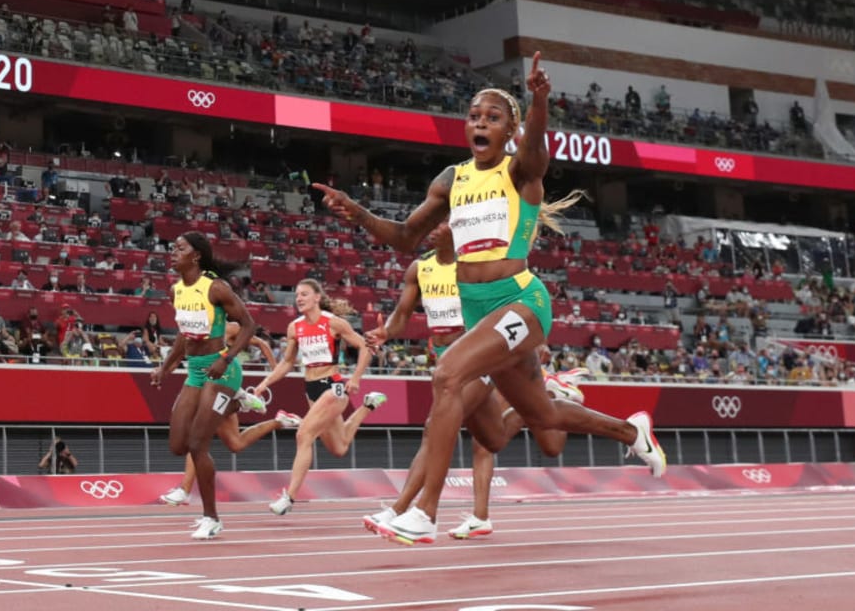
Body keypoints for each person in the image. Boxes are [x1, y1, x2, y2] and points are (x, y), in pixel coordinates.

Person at [315, 53, 664, 543]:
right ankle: (634, 433)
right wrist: (356, 212)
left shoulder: (522, 171)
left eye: (493, 117)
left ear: (510, 130)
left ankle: (424, 514)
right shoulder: (451, 180)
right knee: (510, 428)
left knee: (447, 375)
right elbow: (403, 237)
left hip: (521, 301)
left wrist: (539, 101)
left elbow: (538, 151)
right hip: (478, 311)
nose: (480, 123)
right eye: (474, 116)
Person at [362, 223, 580, 540]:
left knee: (433, 427)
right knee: (489, 441)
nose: (432, 229)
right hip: (444, 358)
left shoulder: (477, 268)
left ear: (458, 226)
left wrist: (531, 338)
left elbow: (514, 299)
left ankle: (399, 509)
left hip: (478, 354)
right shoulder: (419, 268)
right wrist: (386, 331)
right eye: (431, 223)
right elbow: (401, 315)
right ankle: (480, 516)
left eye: (440, 222)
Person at [149, 232, 261, 540]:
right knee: (177, 446)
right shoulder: (176, 292)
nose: (173, 253)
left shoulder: (216, 288)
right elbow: (185, 335)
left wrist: (225, 358)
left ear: (196, 255)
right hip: (196, 371)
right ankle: (239, 401)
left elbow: (250, 325)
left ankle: (211, 518)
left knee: (199, 444)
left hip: (222, 370)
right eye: (173, 247)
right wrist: (166, 367)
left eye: (180, 248)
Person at [251, 279, 387, 515]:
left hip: (333, 386)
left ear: (317, 297)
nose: (299, 299)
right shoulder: (294, 327)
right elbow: (287, 362)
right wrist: (264, 383)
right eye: (296, 295)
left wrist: (355, 378)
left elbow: (366, 347)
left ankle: (288, 497)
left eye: (304, 294)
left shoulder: (334, 323)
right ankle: (368, 405)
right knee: (339, 447)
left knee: (304, 434)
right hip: (311, 388)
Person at [159, 322, 302, 506]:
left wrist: (273, 374)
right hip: (201, 384)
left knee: (197, 437)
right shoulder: (191, 329)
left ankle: (184, 490)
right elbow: (177, 357)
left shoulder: (229, 327)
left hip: (223, 382)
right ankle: (278, 421)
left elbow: (262, 344)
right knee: (236, 444)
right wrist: (163, 372)